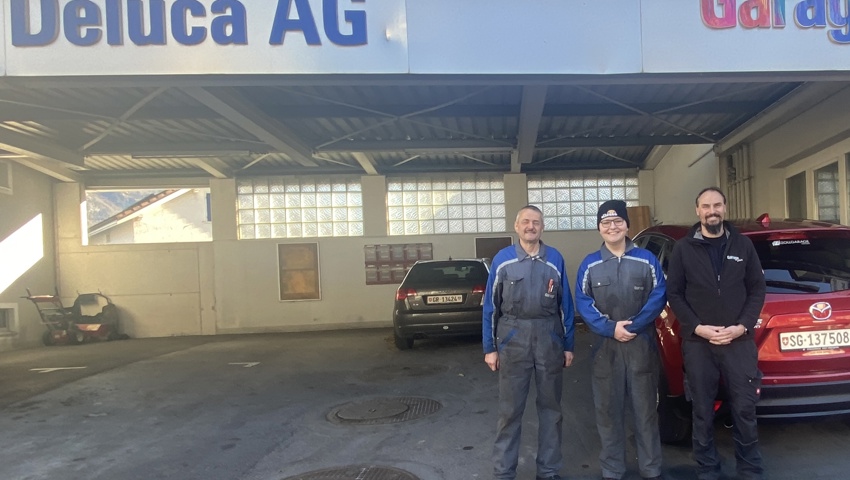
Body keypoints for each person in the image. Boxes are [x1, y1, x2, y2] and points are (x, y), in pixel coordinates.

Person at [666, 187, 766, 480]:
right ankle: (707, 468)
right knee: (702, 409)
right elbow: (674, 293)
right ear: (697, 210)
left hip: (739, 341)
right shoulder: (683, 248)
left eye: (717, 205)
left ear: (725, 208)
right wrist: (698, 327)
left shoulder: (743, 245)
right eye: (706, 206)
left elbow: (757, 289)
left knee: (744, 408)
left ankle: (750, 469)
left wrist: (742, 326)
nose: (712, 211)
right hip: (699, 343)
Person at [574, 200, 667, 480]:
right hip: (605, 349)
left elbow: (659, 295)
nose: (612, 227)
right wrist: (610, 328)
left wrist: (633, 326)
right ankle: (612, 469)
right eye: (606, 222)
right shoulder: (590, 264)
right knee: (607, 411)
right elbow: (583, 302)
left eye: (617, 221)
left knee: (646, 411)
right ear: (599, 228)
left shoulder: (647, 260)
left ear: (627, 225)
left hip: (641, 346)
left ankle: (651, 468)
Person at [482, 205, 575, 480]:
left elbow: (565, 306)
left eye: (535, 222)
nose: (530, 226)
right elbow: (490, 307)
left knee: (551, 410)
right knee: (510, 411)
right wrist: (490, 348)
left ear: (542, 227)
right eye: (525, 221)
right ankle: (503, 472)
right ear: (516, 226)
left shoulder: (554, 259)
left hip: (549, 338)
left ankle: (548, 471)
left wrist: (568, 345)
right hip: (513, 338)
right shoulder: (503, 260)